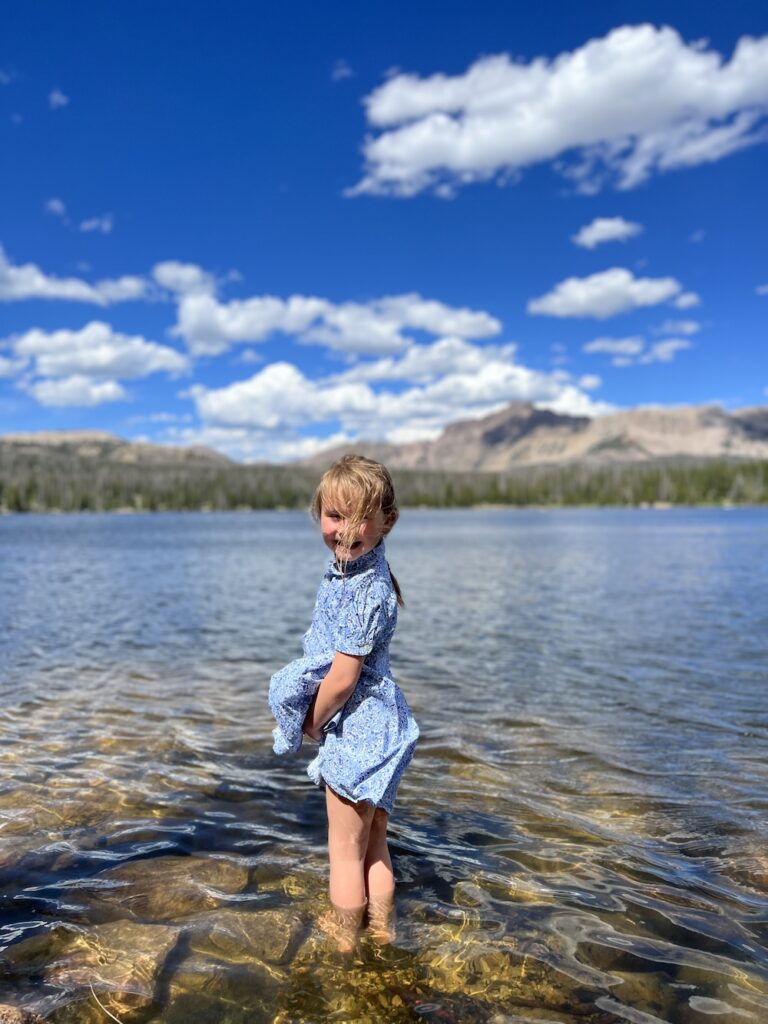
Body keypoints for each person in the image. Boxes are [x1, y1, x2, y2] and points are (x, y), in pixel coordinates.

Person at [269, 454, 419, 952]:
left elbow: (343, 676)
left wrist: (311, 722)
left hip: (360, 730)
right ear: (320, 516)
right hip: (386, 724)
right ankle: (383, 933)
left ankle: (343, 952)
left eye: (360, 518)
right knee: (374, 841)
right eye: (335, 516)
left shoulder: (360, 590)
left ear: (387, 521)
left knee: (343, 852)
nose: (346, 528)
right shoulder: (368, 571)